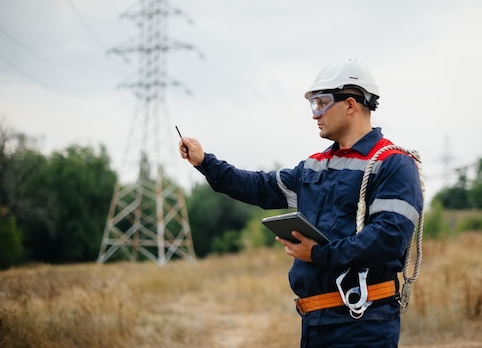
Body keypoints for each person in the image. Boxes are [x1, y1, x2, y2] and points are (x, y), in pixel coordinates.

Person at [179, 59, 423, 347]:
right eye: (313, 105)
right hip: (314, 323)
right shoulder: (315, 167)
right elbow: (259, 187)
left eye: (321, 103)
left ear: (350, 104)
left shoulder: (393, 163)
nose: (314, 114)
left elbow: (388, 239)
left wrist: (318, 254)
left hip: (364, 323)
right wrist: (206, 163)